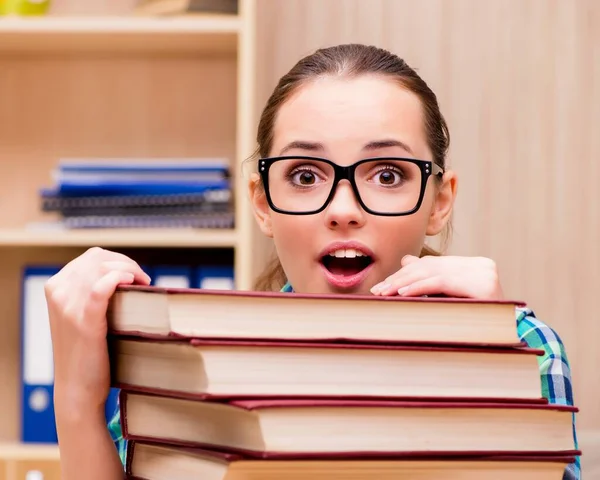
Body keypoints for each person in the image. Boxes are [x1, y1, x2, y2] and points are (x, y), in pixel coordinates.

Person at [45, 44, 580, 480]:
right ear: (262, 203)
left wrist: (488, 372)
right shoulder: (190, 361)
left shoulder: (528, 348)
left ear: (439, 201)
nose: (343, 211)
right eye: (305, 176)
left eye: (388, 174)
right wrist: (75, 401)